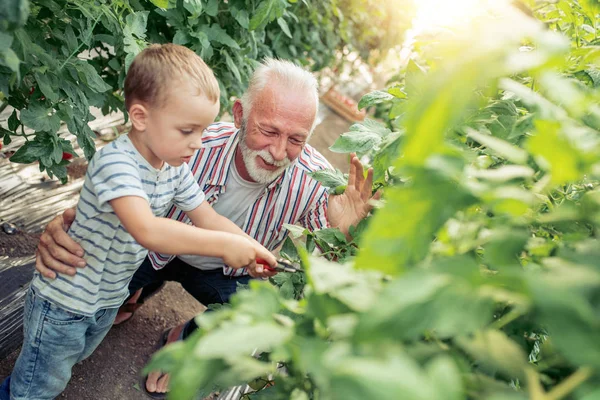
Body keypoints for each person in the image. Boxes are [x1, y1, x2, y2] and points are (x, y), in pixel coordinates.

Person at [34, 58, 381, 397]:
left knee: (263, 311)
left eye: (295, 139)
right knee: (93, 296)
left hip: (225, 272)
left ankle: (185, 340)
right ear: (241, 115)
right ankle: (133, 292)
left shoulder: (315, 182)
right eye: (269, 130)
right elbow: (121, 187)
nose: (278, 151)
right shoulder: (191, 146)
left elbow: (317, 272)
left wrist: (342, 232)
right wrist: (68, 223)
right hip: (152, 250)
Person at [0, 44, 277, 400]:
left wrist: (252, 249)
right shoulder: (117, 164)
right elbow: (147, 229)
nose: (197, 143)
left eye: (202, 131)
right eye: (187, 130)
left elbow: (208, 217)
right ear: (141, 117)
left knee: (58, 367)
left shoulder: (173, 167)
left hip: (105, 299)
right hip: (66, 302)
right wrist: (225, 247)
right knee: (38, 384)